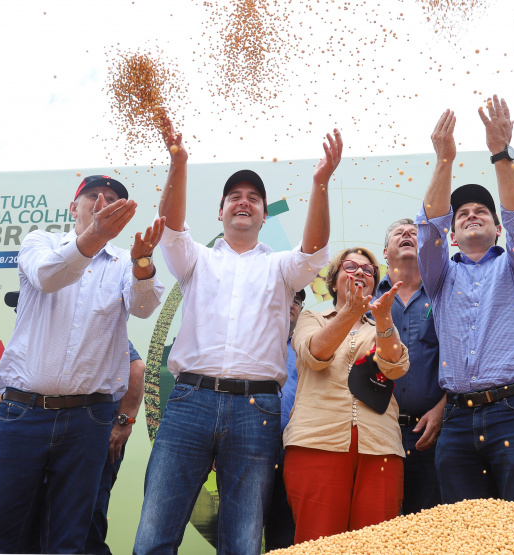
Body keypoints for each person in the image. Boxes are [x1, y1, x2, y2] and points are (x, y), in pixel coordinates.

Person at [134, 121, 341, 555]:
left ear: (264, 215)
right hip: (190, 401)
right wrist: (179, 163)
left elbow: (315, 251)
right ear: (221, 213)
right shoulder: (195, 259)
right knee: (155, 534)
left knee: (243, 543)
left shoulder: (281, 267)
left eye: (253, 198)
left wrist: (321, 182)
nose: (243, 202)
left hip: (256, 409)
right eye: (234, 197)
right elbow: (171, 228)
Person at [0, 175, 165, 553]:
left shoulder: (125, 262)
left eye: (112, 199)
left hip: (88, 419)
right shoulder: (41, 242)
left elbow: (144, 307)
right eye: (94, 195)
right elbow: (48, 277)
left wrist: (143, 262)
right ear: (73, 206)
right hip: (23, 412)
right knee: (1, 533)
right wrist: (95, 235)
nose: (102, 203)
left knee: (70, 538)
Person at [417, 98, 514, 508]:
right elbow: (428, 230)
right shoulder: (438, 276)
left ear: (497, 229)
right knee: (467, 532)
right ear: (452, 234)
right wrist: (444, 161)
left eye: (482, 211)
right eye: (462, 213)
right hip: (457, 419)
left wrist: (500, 153)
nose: (471, 214)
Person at [0, 340, 146, 554]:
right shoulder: (33, 340)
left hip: (89, 434)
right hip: (37, 435)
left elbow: (135, 367)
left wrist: (123, 422)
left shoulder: (89, 327)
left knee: (83, 532)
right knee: (25, 528)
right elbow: (7, 398)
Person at [283, 247, 407, 543]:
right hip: (316, 441)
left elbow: (396, 367)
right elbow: (316, 354)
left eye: (369, 269)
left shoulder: (382, 325)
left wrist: (384, 321)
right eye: (350, 266)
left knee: (375, 546)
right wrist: (350, 312)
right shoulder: (312, 317)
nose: (360, 271)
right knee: (319, 544)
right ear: (334, 280)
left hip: (380, 445)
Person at [377, 218, 444, 515]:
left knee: (428, 527)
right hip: (377, 434)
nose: (406, 234)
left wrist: (442, 410)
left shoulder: (444, 295)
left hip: (431, 434)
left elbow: (462, 360)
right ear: (385, 252)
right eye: (398, 233)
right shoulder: (368, 299)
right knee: (380, 526)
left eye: (414, 233)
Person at [264, 289, 305, 551]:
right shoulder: (255, 342)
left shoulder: (306, 347)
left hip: (291, 450)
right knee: (242, 529)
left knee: (284, 535)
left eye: (297, 301)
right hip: (251, 445)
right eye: (287, 298)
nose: (292, 305)